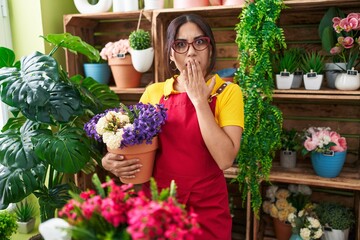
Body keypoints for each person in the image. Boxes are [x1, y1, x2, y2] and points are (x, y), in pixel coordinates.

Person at [102, 13, 244, 240]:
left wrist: (198, 100)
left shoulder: (227, 92)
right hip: (159, 206)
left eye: (199, 42)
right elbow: (133, 148)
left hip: (207, 210)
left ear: (210, 48)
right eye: (180, 44)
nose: (190, 51)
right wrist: (112, 161)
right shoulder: (154, 93)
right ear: (170, 53)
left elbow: (225, 159)